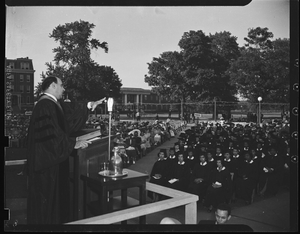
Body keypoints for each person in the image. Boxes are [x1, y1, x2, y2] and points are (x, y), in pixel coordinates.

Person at [26, 76, 106, 224]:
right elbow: (49, 137)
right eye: (61, 85)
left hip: (50, 163)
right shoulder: (45, 106)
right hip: (47, 167)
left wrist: (88, 105)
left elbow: (67, 121)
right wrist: (71, 144)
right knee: (48, 207)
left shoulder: (52, 104)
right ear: (52, 85)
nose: (64, 89)